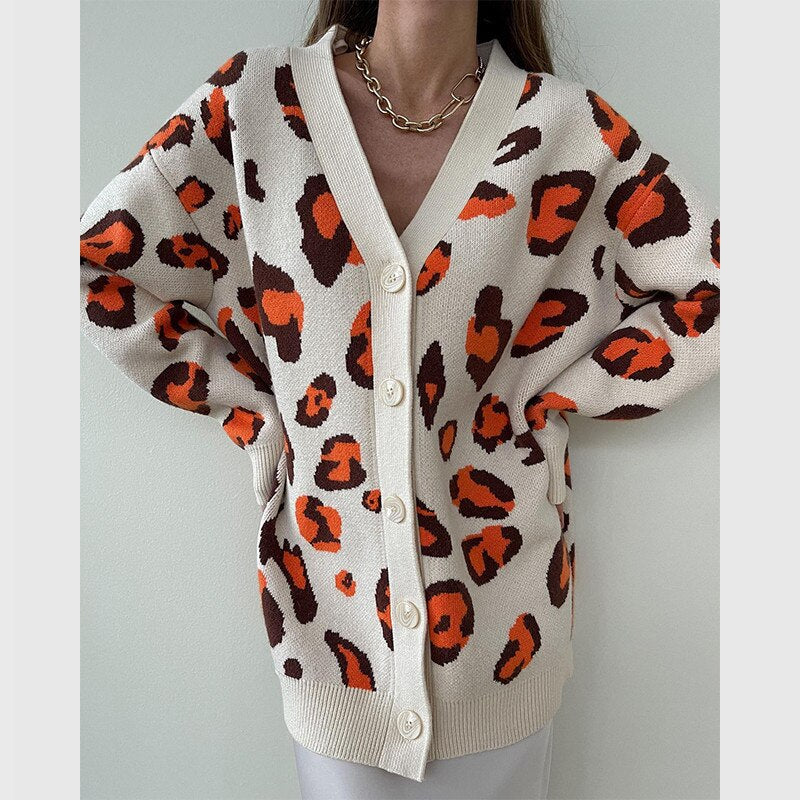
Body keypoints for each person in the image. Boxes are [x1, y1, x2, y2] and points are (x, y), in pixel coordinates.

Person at [79, 1, 719, 797]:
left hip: (503, 648)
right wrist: (261, 419)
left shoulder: (568, 132)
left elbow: (714, 289)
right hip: (328, 640)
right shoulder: (254, 107)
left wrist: (552, 402)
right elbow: (103, 266)